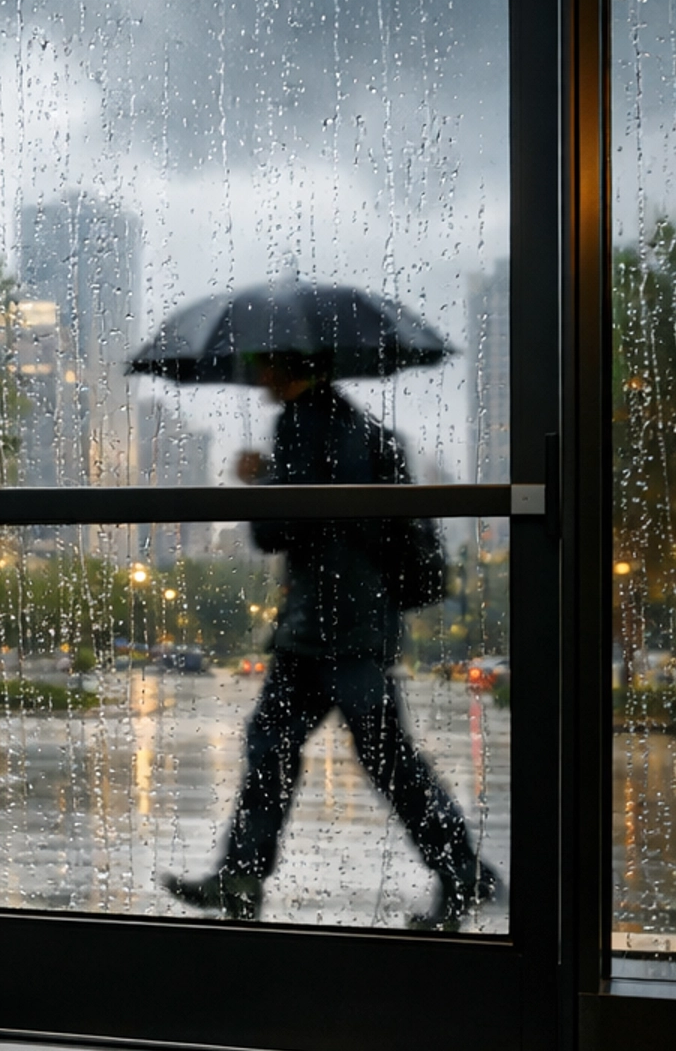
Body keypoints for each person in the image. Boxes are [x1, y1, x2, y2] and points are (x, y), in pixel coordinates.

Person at [165, 350, 502, 931]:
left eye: (260, 363)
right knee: (324, 749)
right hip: (357, 623)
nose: (253, 374)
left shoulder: (301, 425)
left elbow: (276, 530)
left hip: (327, 628)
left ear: (280, 366)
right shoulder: (363, 429)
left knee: (346, 752)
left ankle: (459, 872)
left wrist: (258, 478)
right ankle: (242, 878)